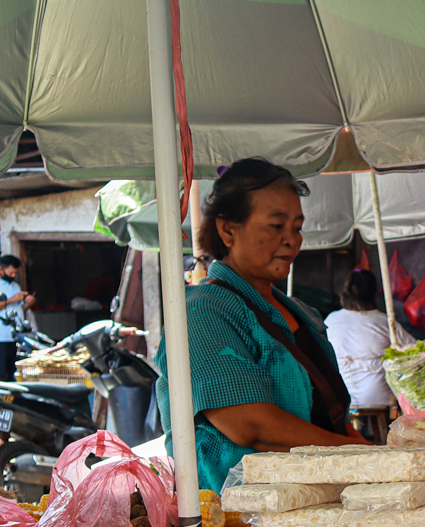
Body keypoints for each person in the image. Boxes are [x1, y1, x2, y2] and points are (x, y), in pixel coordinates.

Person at [156, 159, 368, 491]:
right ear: (228, 230)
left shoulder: (302, 312)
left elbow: (332, 419)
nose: (291, 240)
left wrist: (378, 456)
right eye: (276, 226)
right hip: (245, 518)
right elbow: (250, 425)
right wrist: (364, 456)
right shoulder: (200, 311)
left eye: (296, 227)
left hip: (318, 505)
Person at [325, 268, 416, 408]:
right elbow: (414, 350)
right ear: (375, 294)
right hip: (377, 396)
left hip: (340, 395)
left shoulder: (331, 320)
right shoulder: (385, 321)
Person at [0, 254, 34, 381]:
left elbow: (18, 310)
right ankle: (0, 400)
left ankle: (11, 400)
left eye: (15, 273)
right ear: (1, 270)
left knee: (13, 374)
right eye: (10, 273)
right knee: (1, 374)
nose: (13, 276)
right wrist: (11, 300)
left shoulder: (15, 286)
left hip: (15, 337)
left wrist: (28, 303)